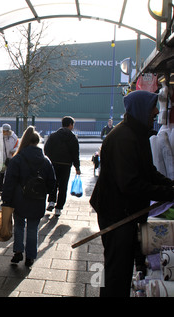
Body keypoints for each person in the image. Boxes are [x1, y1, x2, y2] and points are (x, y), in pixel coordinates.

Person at [90, 90, 174, 297]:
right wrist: (168, 193)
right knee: (116, 270)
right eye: (152, 107)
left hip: (125, 213)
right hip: (117, 215)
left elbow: (148, 172)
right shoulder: (124, 139)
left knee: (120, 267)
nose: (156, 112)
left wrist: (170, 186)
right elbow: (131, 184)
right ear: (141, 110)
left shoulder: (136, 134)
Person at [1, 126, 56, 267]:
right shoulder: (45, 160)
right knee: (33, 228)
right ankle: (30, 257)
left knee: (19, 225)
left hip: (19, 199)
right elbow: (52, 182)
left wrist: (6, 199)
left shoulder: (17, 159)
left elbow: (9, 182)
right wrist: (50, 197)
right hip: (38, 199)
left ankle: (18, 251)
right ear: (38, 142)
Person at [44, 116, 81, 216]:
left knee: (53, 183)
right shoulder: (73, 138)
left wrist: (50, 160)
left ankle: (51, 201)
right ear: (70, 125)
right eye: (73, 125)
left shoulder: (53, 136)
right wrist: (77, 167)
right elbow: (75, 154)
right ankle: (59, 208)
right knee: (63, 186)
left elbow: (46, 149)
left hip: (53, 164)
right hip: (66, 165)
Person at [0, 123, 19, 190]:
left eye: (5, 131)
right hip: (3, 160)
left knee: (11, 175)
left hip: (11, 158)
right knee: (1, 176)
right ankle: (1, 189)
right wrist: (0, 159)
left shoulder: (14, 137)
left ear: (8, 131)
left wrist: (14, 150)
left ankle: (10, 188)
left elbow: (18, 146)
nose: (4, 132)